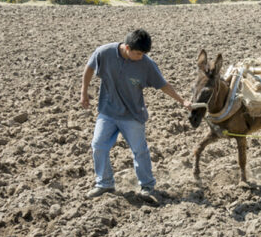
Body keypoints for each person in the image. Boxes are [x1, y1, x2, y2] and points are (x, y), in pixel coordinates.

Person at [80, 29, 191, 200]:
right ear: (126, 47)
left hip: (133, 115)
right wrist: (84, 93)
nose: (141, 57)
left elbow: (163, 85)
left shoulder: (146, 64)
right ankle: (104, 184)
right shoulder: (104, 53)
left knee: (140, 151)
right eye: (138, 53)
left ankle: (147, 186)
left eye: (143, 54)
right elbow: (89, 69)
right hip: (107, 112)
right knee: (98, 145)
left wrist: (182, 101)